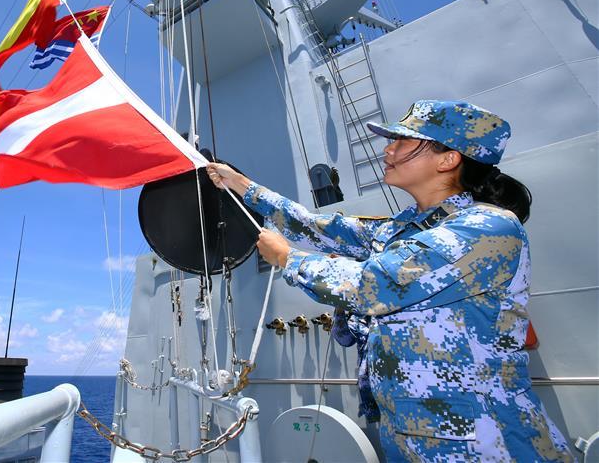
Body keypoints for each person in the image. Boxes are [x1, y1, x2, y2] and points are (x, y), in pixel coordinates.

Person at [206, 100, 573, 462]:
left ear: (449, 159)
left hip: (485, 441)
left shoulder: (486, 228)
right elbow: (318, 227)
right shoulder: (406, 228)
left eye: (403, 142)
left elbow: (373, 284)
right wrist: (241, 185)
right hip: (412, 434)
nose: (389, 149)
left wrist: (288, 258)